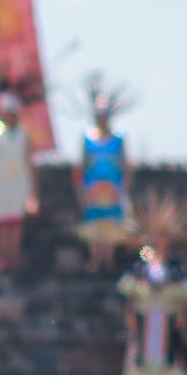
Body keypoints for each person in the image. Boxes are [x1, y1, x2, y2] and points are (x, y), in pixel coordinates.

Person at [117, 190, 187, 375]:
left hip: (166, 313)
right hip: (146, 313)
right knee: (141, 350)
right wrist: (130, 311)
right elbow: (134, 282)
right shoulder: (145, 256)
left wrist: (181, 313)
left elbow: (181, 289)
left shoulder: (174, 263)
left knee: (166, 351)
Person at [75, 78, 134, 272]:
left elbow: (125, 164)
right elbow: (82, 165)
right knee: (93, 223)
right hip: (92, 186)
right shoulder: (87, 138)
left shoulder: (118, 138)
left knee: (111, 224)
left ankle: (108, 260)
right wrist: (81, 189)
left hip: (113, 186)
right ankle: (95, 259)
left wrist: (124, 186)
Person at [0, 92, 39, 272]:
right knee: (2, 222)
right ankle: (4, 255)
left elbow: (29, 162)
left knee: (15, 221)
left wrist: (33, 192)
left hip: (19, 183)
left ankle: (14, 256)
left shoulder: (23, 134)